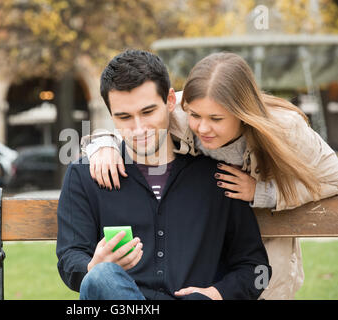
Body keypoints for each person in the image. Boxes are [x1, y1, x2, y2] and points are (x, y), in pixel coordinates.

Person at [81, 52, 338, 300]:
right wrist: (103, 143)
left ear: (242, 112)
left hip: (261, 242)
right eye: (195, 116)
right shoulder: (180, 109)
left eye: (216, 118)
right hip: (204, 245)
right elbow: (137, 121)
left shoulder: (286, 128)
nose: (202, 128)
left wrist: (263, 192)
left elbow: (333, 177)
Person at [56, 49, 271, 300]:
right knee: (102, 278)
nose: (138, 129)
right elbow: (70, 259)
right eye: (124, 117)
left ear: (170, 101)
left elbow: (256, 268)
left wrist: (216, 294)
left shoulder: (219, 176)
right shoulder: (84, 176)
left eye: (148, 112)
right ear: (110, 114)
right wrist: (94, 266)